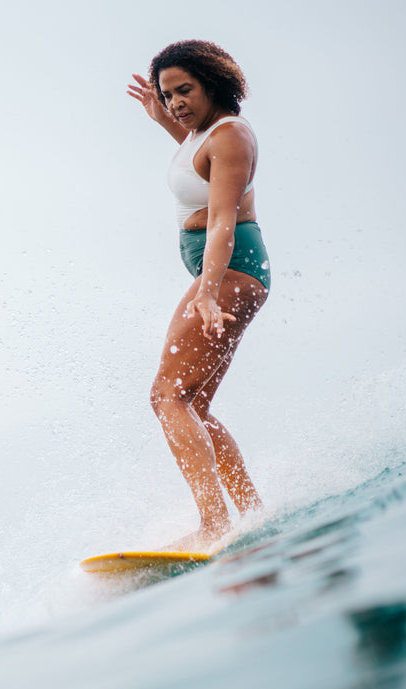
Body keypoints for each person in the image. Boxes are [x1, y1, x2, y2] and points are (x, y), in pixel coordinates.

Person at [127, 40, 270, 548]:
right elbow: (193, 154)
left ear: (214, 82)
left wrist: (206, 293)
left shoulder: (231, 137)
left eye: (184, 90)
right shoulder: (203, 135)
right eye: (168, 95)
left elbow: (223, 220)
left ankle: (214, 522)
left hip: (230, 270)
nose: (176, 102)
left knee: (166, 396)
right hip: (227, 275)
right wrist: (160, 117)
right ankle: (251, 513)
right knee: (194, 406)